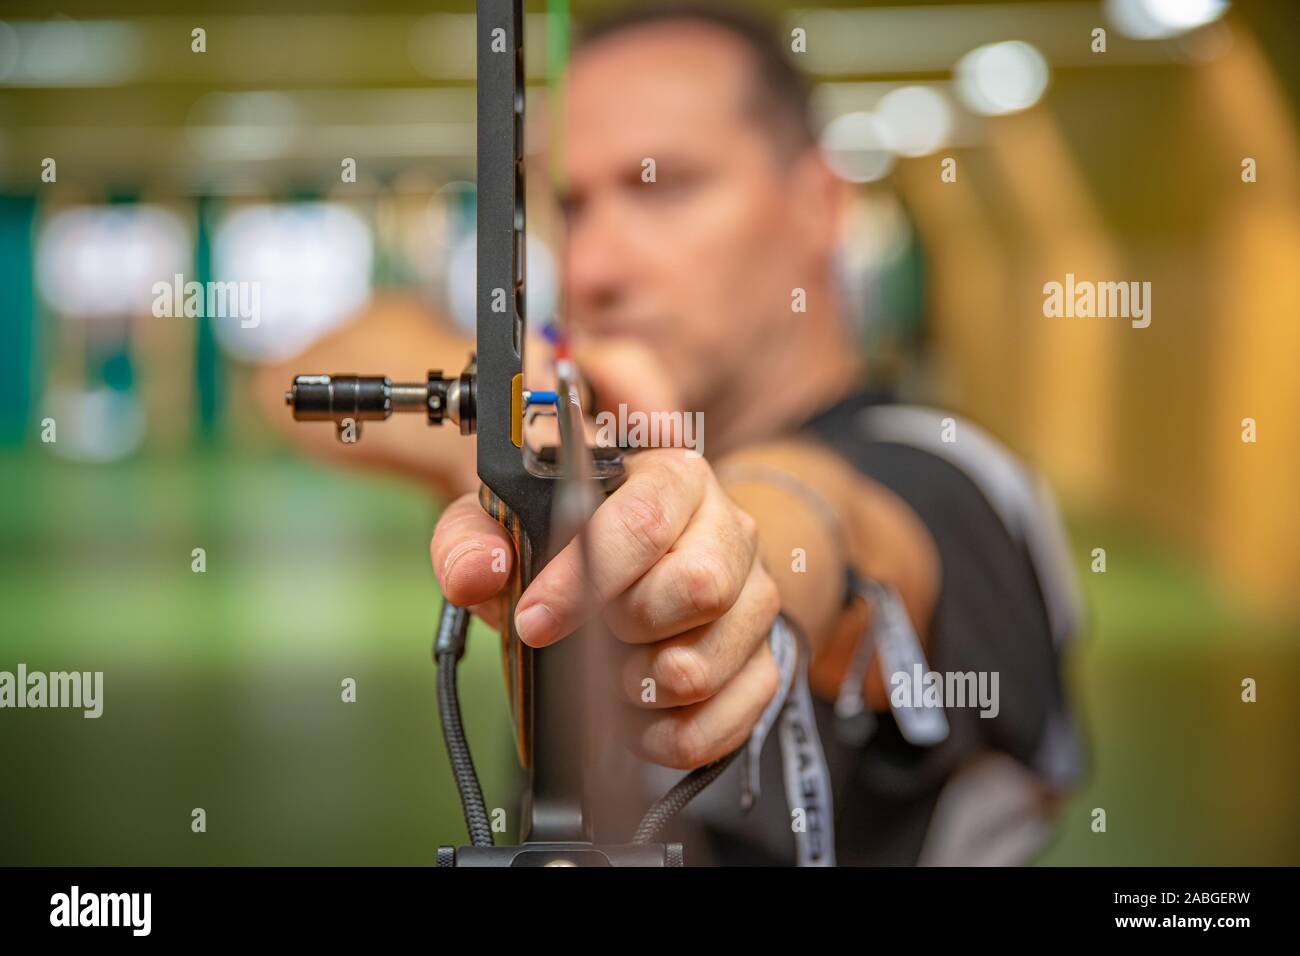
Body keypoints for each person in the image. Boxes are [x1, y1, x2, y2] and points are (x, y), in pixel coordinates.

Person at [259, 3, 1082, 865]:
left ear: (818, 204)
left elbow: (824, 521)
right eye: (571, 205)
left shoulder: (956, 475)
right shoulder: (574, 431)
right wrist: (502, 394)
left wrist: (723, 568)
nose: (592, 268)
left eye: (662, 187)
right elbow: (296, 374)